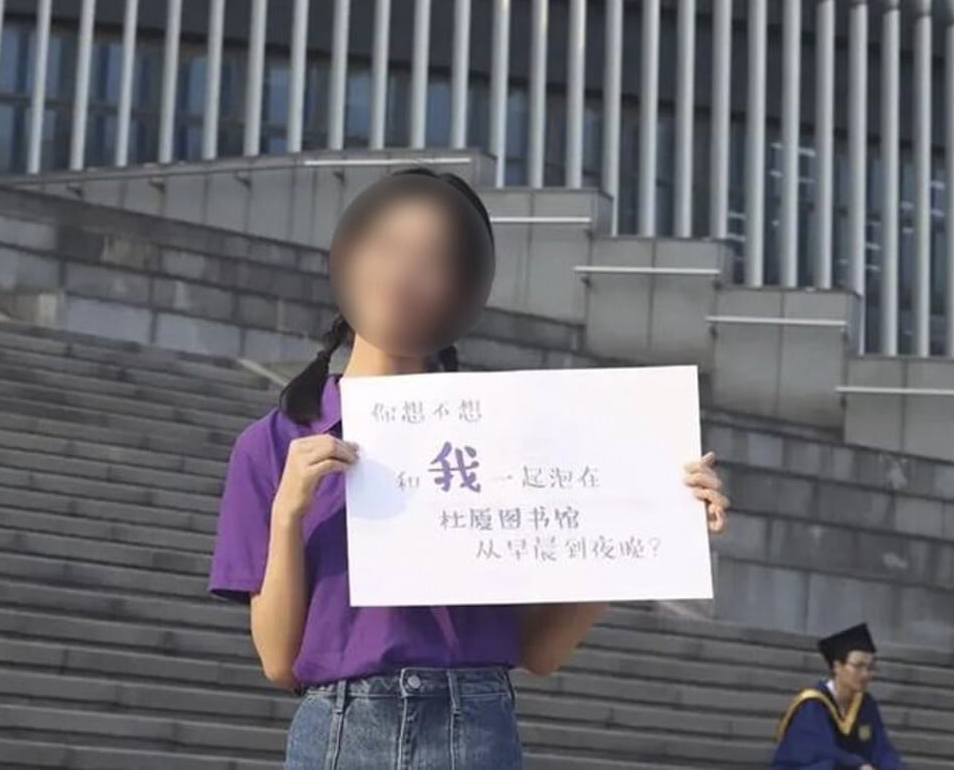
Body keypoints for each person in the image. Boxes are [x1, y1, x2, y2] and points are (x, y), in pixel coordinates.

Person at [208, 168, 730, 769]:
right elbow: (278, 661)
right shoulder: (272, 444)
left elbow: (541, 652)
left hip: (477, 728)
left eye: (432, 260)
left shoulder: (502, 435)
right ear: (348, 256)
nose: (404, 273)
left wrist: (643, 528)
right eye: (389, 247)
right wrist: (287, 512)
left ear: (463, 291)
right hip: (342, 731)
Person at [771, 623, 904, 770]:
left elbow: (882, 750)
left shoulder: (866, 705)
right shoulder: (812, 705)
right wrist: (857, 765)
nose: (865, 674)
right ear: (837, 666)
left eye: (870, 668)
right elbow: (819, 752)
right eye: (858, 666)